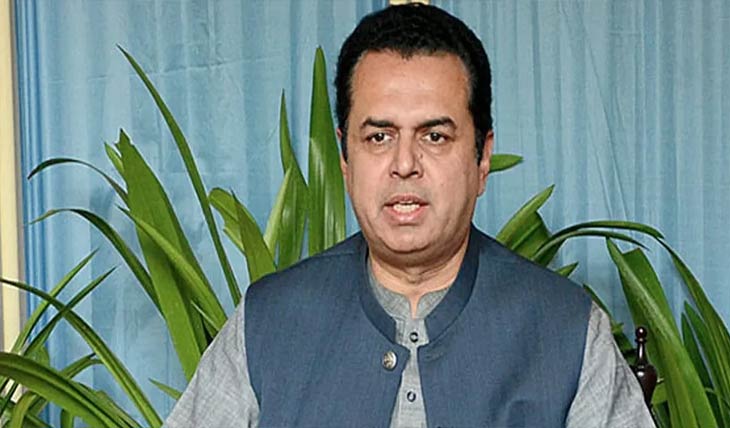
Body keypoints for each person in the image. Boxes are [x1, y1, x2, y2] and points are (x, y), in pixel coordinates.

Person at [166, 4, 654, 427]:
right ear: (345, 158)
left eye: (434, 137)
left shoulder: (566, 332)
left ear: (482, 157)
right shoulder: (269, 323)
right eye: (379, 137)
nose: (404, 164)